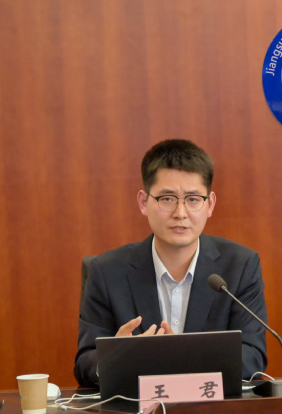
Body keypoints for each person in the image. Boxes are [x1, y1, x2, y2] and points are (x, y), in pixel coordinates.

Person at [74, 139, 267, 386]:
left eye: (193, 199)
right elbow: (85, 363)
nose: (180, 213)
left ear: (210, 204)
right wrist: (113, 357)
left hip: (211, 406)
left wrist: (181, 357)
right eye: (167, 199)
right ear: (143, 202)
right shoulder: (106, 272)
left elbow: (252, 356)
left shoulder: (240, 266)